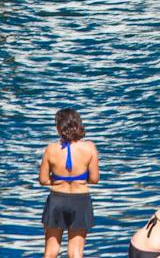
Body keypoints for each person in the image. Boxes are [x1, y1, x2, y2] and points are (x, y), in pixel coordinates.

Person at [38, 108, 99, 258]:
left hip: (57, 199)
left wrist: (59, 180)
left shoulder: (51, 149)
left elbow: (43, 180)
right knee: (76, 252)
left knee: (51, 250)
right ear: (78, 125)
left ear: (60, 127)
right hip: (80, 200)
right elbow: (95, 179)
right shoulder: (89, 148)